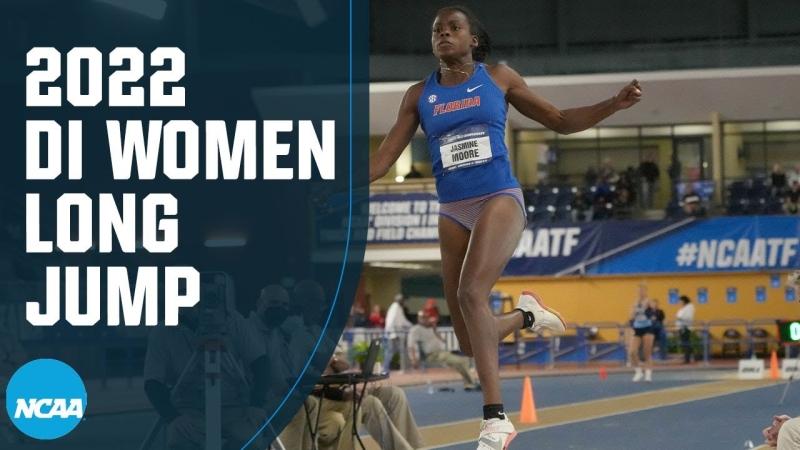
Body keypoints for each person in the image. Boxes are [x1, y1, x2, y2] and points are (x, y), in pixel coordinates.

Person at [368, 5, 642, 447]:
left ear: (473, 39)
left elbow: (559, 121)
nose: (443, 34)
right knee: (470, 342)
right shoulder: (419, 95)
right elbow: (380, 162)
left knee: (470, 293)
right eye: (437, 30)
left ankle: (495, 419)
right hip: (452, 210)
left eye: (453, 28)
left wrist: (613, 103)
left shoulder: (498, 77)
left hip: (499, 197)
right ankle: (526, 315)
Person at [143, 304, 269, 450]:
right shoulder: (162, 332)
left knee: (250, 442)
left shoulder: (234, 321)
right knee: (180, 442)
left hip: (234, 405)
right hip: (188, 407)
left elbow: (260, 362)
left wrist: (256, 404)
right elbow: (152, 381)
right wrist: (172, 416)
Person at [314, 346, 424, 450]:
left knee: (394, 394)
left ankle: (416, 447)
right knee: (369, 403)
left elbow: (344, 365)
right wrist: (343, 394)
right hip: (322, 397)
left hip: (341, 388)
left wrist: (333, 359)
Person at [407, 310, 480, 390]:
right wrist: (413, 359)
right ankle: (471, 383)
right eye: (423, 317)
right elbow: (411, 346)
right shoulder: (415, 329)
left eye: (427, 317)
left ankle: (469, 383)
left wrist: (435, 329)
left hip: (442, 353)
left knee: (463, 360)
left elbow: (440, 338)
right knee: (461, 361)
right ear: (418, 319)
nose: (426, 319)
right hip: (432, 355)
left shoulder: (431, 328)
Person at [629, 285, 655, 382]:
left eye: (642, 291)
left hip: (647, 328)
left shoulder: (649, 301)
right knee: (632, 352)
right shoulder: (635, 303)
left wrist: (649, 309)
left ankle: (648, 373)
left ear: (645, 292)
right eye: (639, 291)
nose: (640, 293)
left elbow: (653, 313)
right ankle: (638, 371)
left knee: (646, 352)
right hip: (637, 328)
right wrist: (634, 311)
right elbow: (631, 316)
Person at [383, 293, 414, 373]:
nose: (404, 302)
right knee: (392, 351)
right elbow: (391, 320)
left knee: (399, 351)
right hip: (394, 333)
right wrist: (390, 332)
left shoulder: (398, 307)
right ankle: (385, 369)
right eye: (403, 300)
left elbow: (403, 320)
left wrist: (411, 326)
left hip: (397, 333)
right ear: (400, 300)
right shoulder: (395, 307)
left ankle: (404, 368)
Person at [676, 295, 696, 364]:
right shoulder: (684, 308)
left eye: (680, 301)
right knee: (685, 343)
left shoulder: (689, 307)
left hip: (685, 327)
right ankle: (691, 357)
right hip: (682, 327)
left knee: (686, 343)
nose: (679, 302)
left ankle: (687, 359)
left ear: (683, 301)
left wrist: (680, 318)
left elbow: (688, 317)